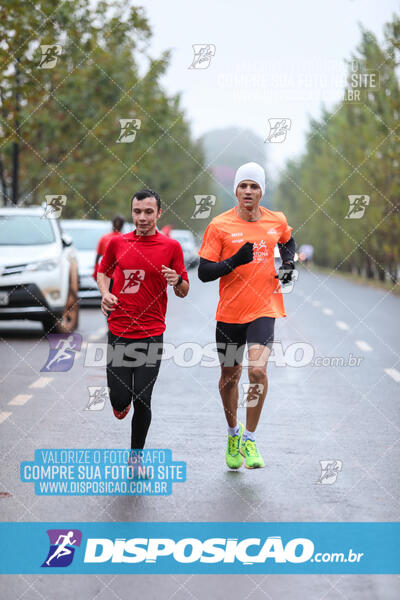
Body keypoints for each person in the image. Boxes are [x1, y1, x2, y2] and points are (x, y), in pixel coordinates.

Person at [197, 162, 296, 470]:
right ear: (236, 191)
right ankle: (232, 434)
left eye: (254, 186)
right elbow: (203, 273)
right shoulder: (219, 226)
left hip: (264, 308)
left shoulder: (275, 220)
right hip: (229, 314)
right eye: (243, 186)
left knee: (257, 373)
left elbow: (287, 241)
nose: (249, 191)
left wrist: (289, 263)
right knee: (229, 379)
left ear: (261, 191)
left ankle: (250, 440)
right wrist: (235, 261)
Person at [97, 189, 189, 451]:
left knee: (143, 399)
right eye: (137, 211)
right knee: (119, 399)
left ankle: (136, 456)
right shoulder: (117, 243)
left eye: (149, 212)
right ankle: (119, 404)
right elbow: (103, 272)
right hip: (118, 330)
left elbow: (184, 291)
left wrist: (178, 281)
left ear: (159, 213)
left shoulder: (171, 247)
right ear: (132, 213)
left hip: (151, 333)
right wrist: (105, 294)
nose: (142, 217)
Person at [92, 214, 125, 282]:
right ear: (122, 225)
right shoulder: (125, 239)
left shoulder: (104, 238)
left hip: (106, 274)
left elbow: (98, 257)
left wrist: (96, 271)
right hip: (119, 275)